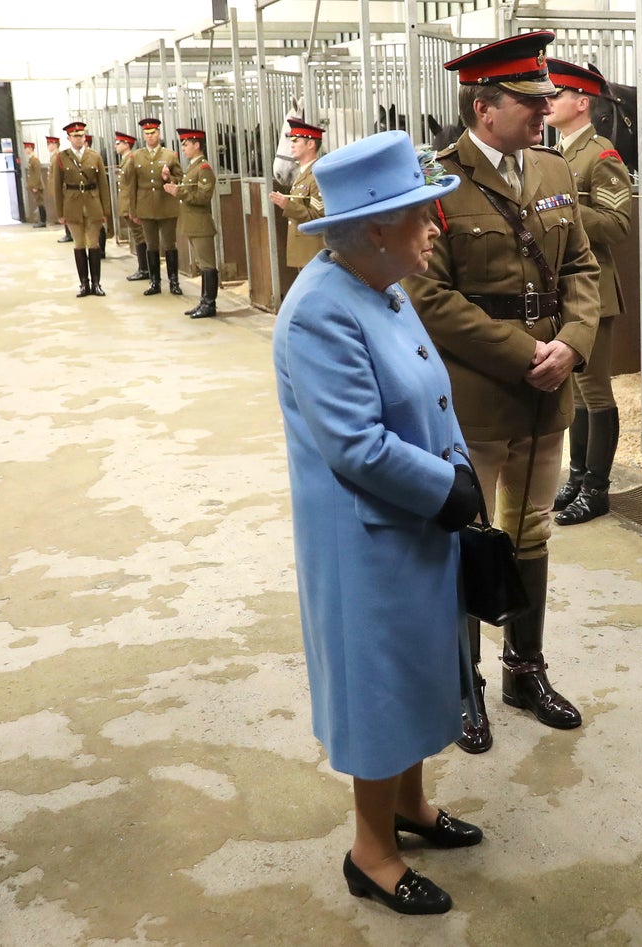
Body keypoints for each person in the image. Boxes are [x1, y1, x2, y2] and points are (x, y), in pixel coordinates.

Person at [273, 130, 481, 917]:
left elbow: (431, 393)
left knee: (420, 666)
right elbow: (357, 446)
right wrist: (448, 488)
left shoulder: (382, 286)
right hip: (365, 537)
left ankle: (410, 807)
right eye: (420, 214)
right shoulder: (320, 313)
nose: (435, 226)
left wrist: (456, 474)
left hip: (416, 520)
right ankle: (373, 850)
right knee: (379, 683)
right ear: (372, 229)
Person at [402, 30, 602, 754]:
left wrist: (574, 344)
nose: (546, 110)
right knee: (469, 538)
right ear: (485, 108)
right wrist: (526, 354)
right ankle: (464, 685)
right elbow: (429, 296)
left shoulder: (551, 171)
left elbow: (581, 266)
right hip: (477, 398)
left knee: (531, 530)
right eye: (531, 101)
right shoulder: (436, 179)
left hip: (548, 395)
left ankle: (526, 669)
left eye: (546, 98)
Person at [544, 58, 633, 526]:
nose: (547, 102)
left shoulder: (602, 156)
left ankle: (597, 488)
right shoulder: (555, 153)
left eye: (555, 95)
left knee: (596, 391)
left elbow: (618, 225)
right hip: (563, 289)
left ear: (582, 103)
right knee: (576, 389)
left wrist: (566, 207)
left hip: (594, 288)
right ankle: (578, 477)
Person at [49, 121, 111, 297]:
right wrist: (60, 213)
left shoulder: (95, 156)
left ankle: (96, 284)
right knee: (79, 244)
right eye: (75, 136)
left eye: (81, 136)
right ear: (69, 138)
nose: (79, 139)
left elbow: (103, 185)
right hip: (72, 204)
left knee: (93, 243)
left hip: (92, 203)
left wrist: (105, 210)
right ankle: (84, 284)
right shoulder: (61, 158)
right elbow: (57, 187)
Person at [163, 128, 220, 318]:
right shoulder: (193, 167)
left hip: (201, 223)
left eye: (186, 144)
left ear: (197, 145)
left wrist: (178, 192)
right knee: (202, 264)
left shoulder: (204, 168)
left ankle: (209, 303)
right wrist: (172, 181)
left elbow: (203, 196)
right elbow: (188, 188)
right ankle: (204, 301)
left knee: (207, 264)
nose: (183, 148)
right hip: (192, 223)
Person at [126, 117, 183, 296]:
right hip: (145, 207)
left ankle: (174, 281)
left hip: (166, 205)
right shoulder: (136, 156)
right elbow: (131, 184)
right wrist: (133, 210)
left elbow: (180, 178)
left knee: (170, 244)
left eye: (153, 133)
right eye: (147, 133)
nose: (150, 136)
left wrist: (169, 178)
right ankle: (154, 282)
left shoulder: (169, 155)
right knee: (151, 245)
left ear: (159, 133)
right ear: (143, 135)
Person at [268, 118, 326, 271]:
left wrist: (288, 205)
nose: (292, 145)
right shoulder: (303, 173)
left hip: (312, 252)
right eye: (291, 141)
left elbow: (318, 216)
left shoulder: (316, 175)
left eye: (296, 141)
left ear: (311, 144)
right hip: (303, 250)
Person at [114, 131, 149, 282]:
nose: (116, 146)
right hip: (127, 204)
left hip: (130, 205)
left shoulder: (131, 160)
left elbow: (131, 187)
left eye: (118, 143)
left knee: (139, 235)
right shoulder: (125, 160)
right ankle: (143, 267)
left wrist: (131, 208)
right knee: (138, 235)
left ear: (126, 144)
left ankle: (144, 268)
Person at [46, 136, 73, 243]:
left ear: (55, 144)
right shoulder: (54, 156)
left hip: (61, 189)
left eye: (50, 144)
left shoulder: (58, 156)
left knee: (65, 211)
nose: (48, 146)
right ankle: (68, 233)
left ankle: (69, 234)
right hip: (56, 188)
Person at [23, 142, 46, 228]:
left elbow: (37, 174)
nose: (25, 150)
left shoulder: (35, 159)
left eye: (26, 148)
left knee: (40, 202)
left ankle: (43, 221)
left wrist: (36, 186)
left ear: (30, 148)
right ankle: (41, 220)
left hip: (37, 186)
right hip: (34, 185)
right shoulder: (31, 159)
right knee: (38, 202)